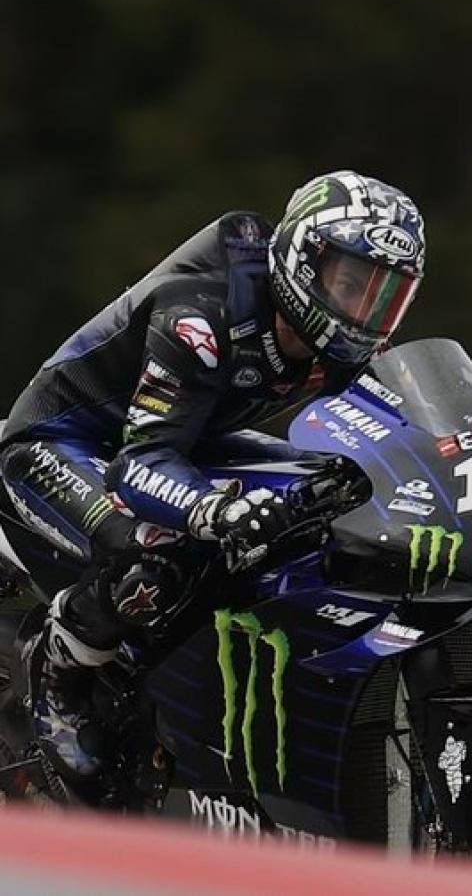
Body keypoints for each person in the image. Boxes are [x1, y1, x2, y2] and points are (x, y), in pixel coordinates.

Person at [0, 171, 425, 784]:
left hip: (187, 441)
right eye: (353, 284)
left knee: (332, 488)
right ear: (304, 264)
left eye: (386, 296)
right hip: (63, 443)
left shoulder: (345, 347)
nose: (365, 312)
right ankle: (58, 674)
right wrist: (216, 510)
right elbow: (140, 464)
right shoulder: (200, 317)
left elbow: (406, 432)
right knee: (157, 551)